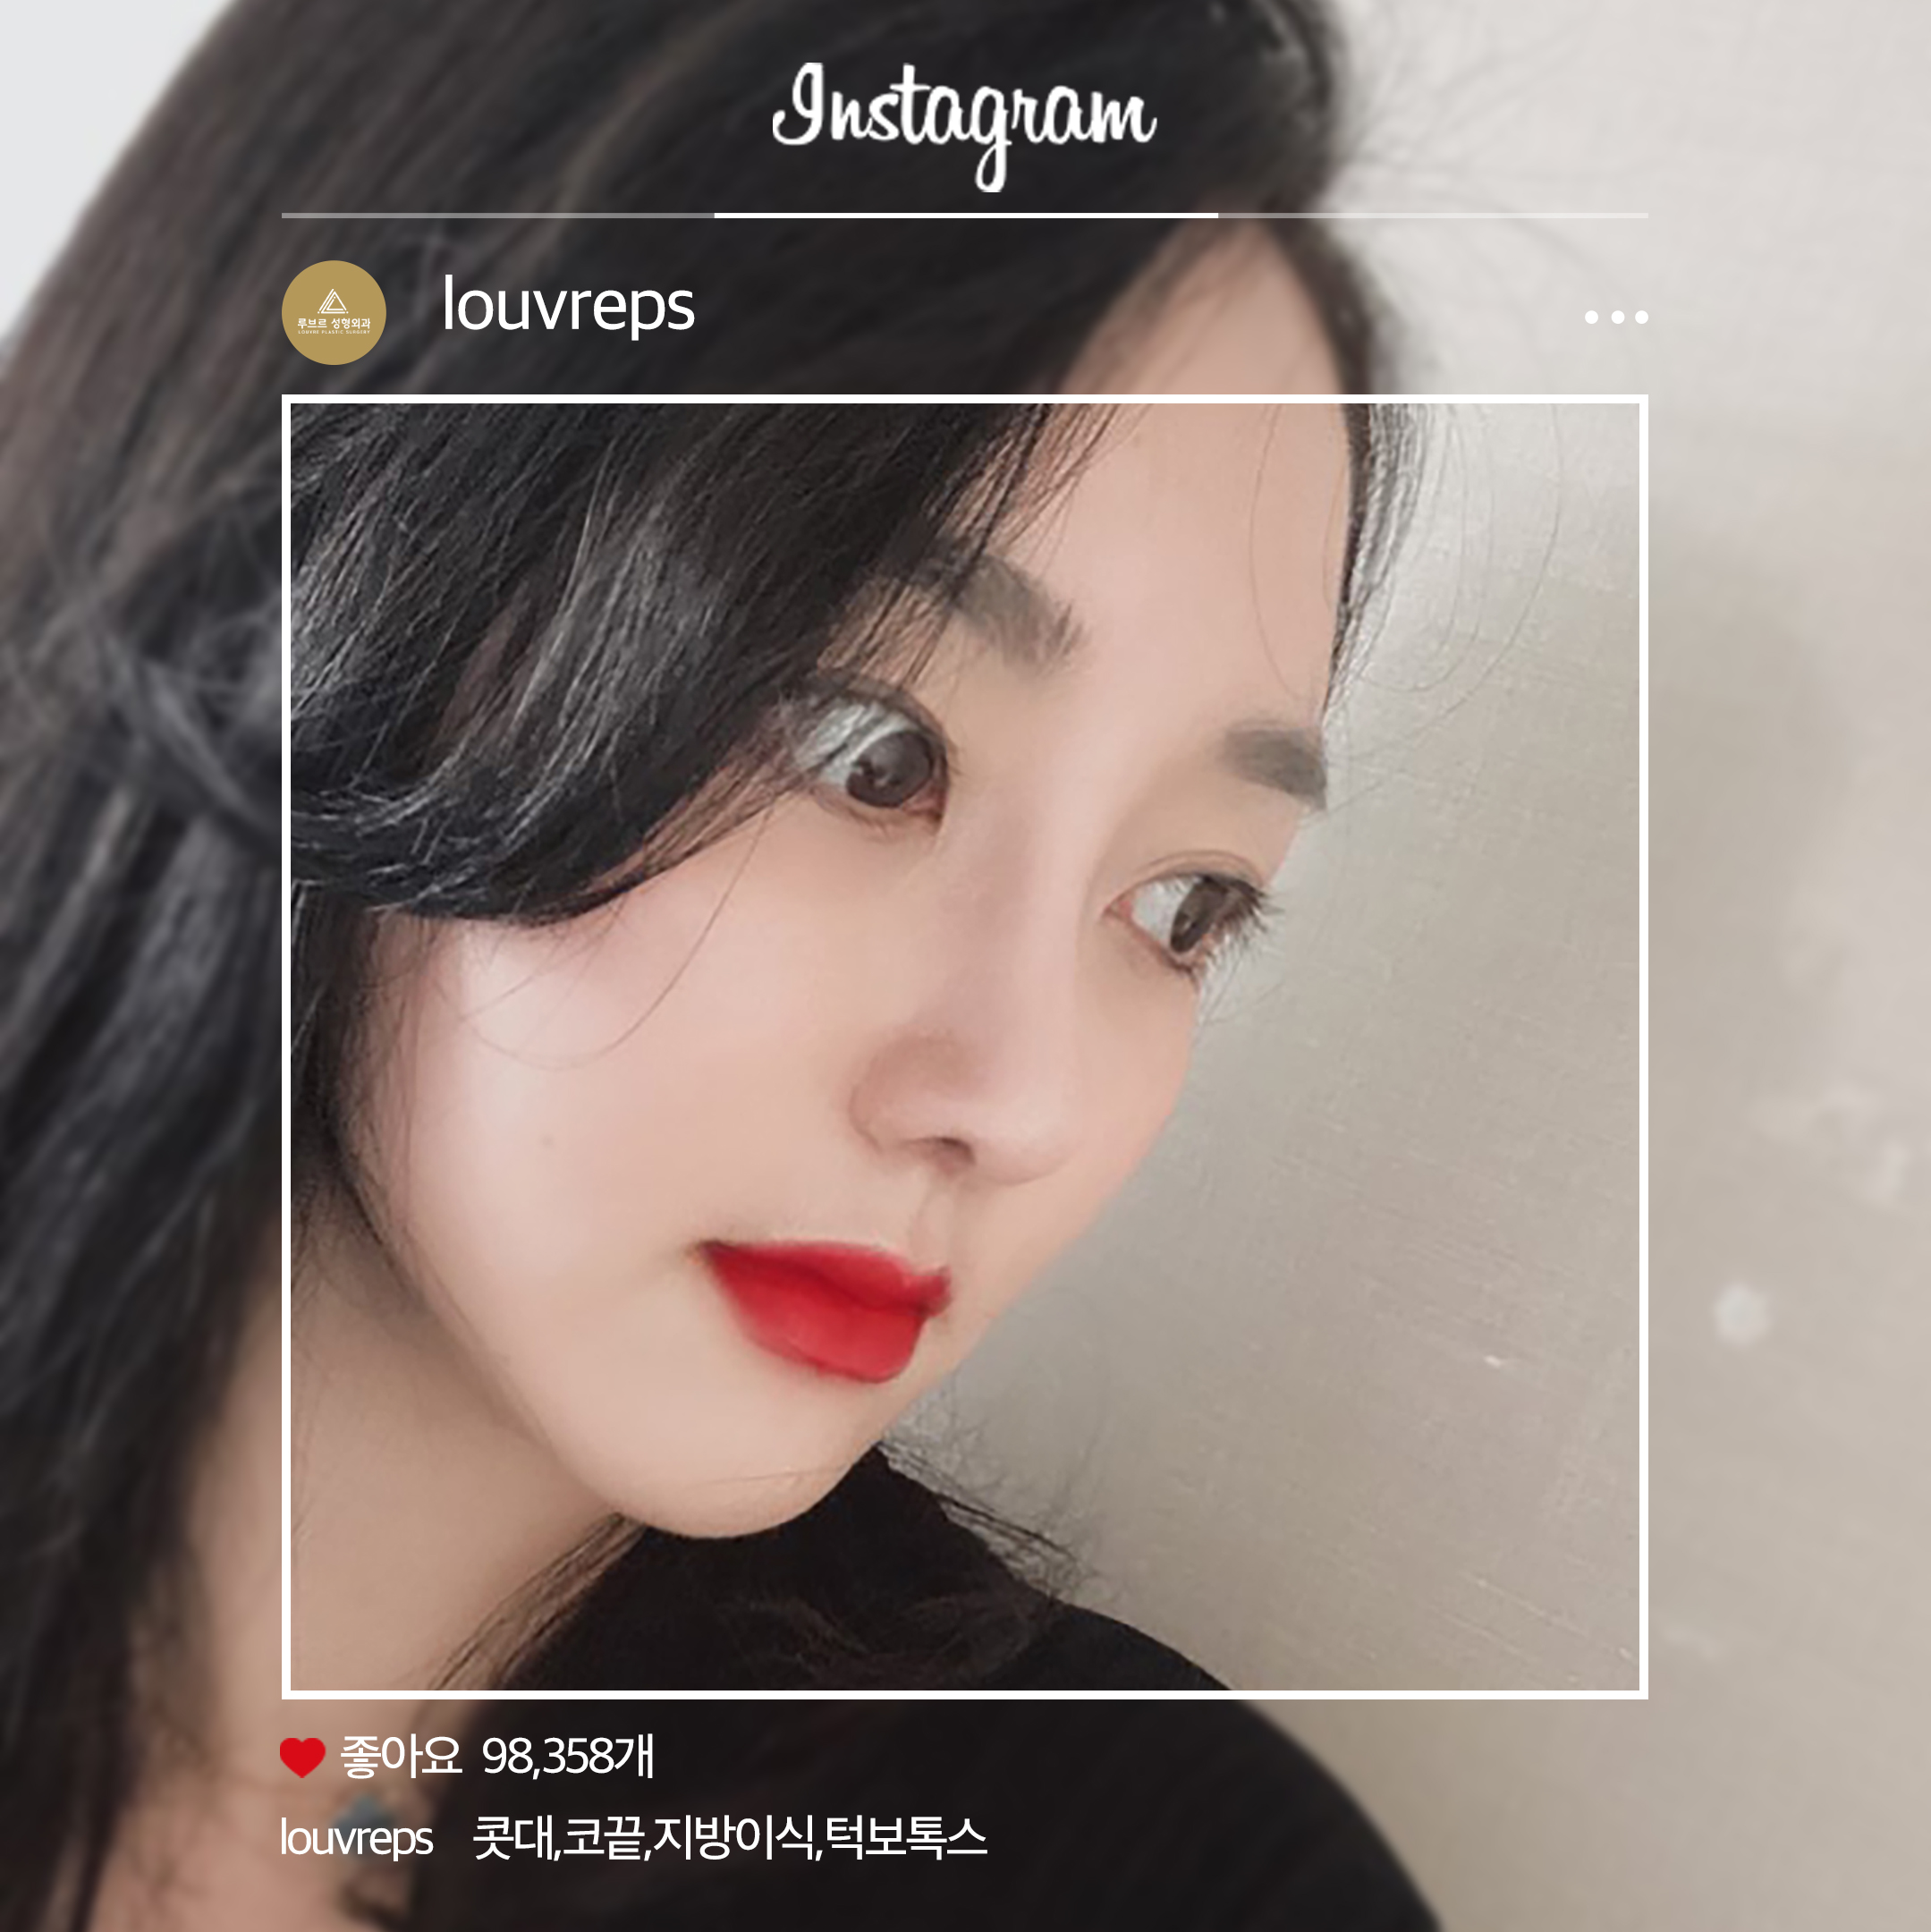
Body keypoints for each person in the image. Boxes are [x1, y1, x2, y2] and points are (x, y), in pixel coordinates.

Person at [0, 1, 1426, 1927]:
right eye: (869, 751)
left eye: (1187, 904)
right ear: (332, 561)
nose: (1018, 1102)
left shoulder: (1168, 1888)